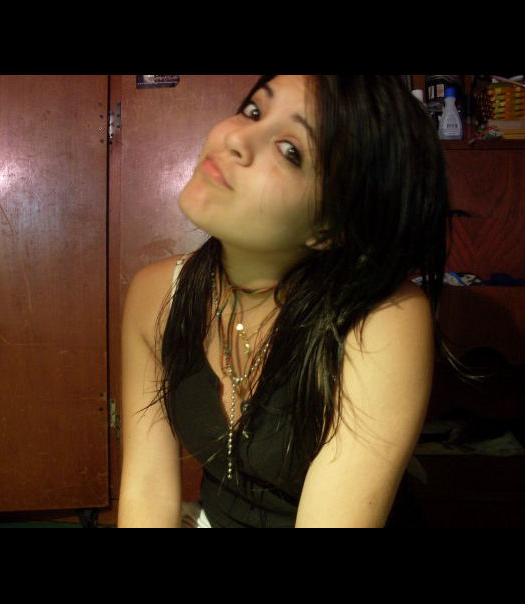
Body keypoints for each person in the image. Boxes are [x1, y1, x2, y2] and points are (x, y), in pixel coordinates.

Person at [117, 75, 480, 528]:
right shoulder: (155, 295)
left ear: (330, 227)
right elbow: (147, 489)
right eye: (253, 111)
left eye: (291, 150)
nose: (236, 139)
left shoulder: (384, 318)